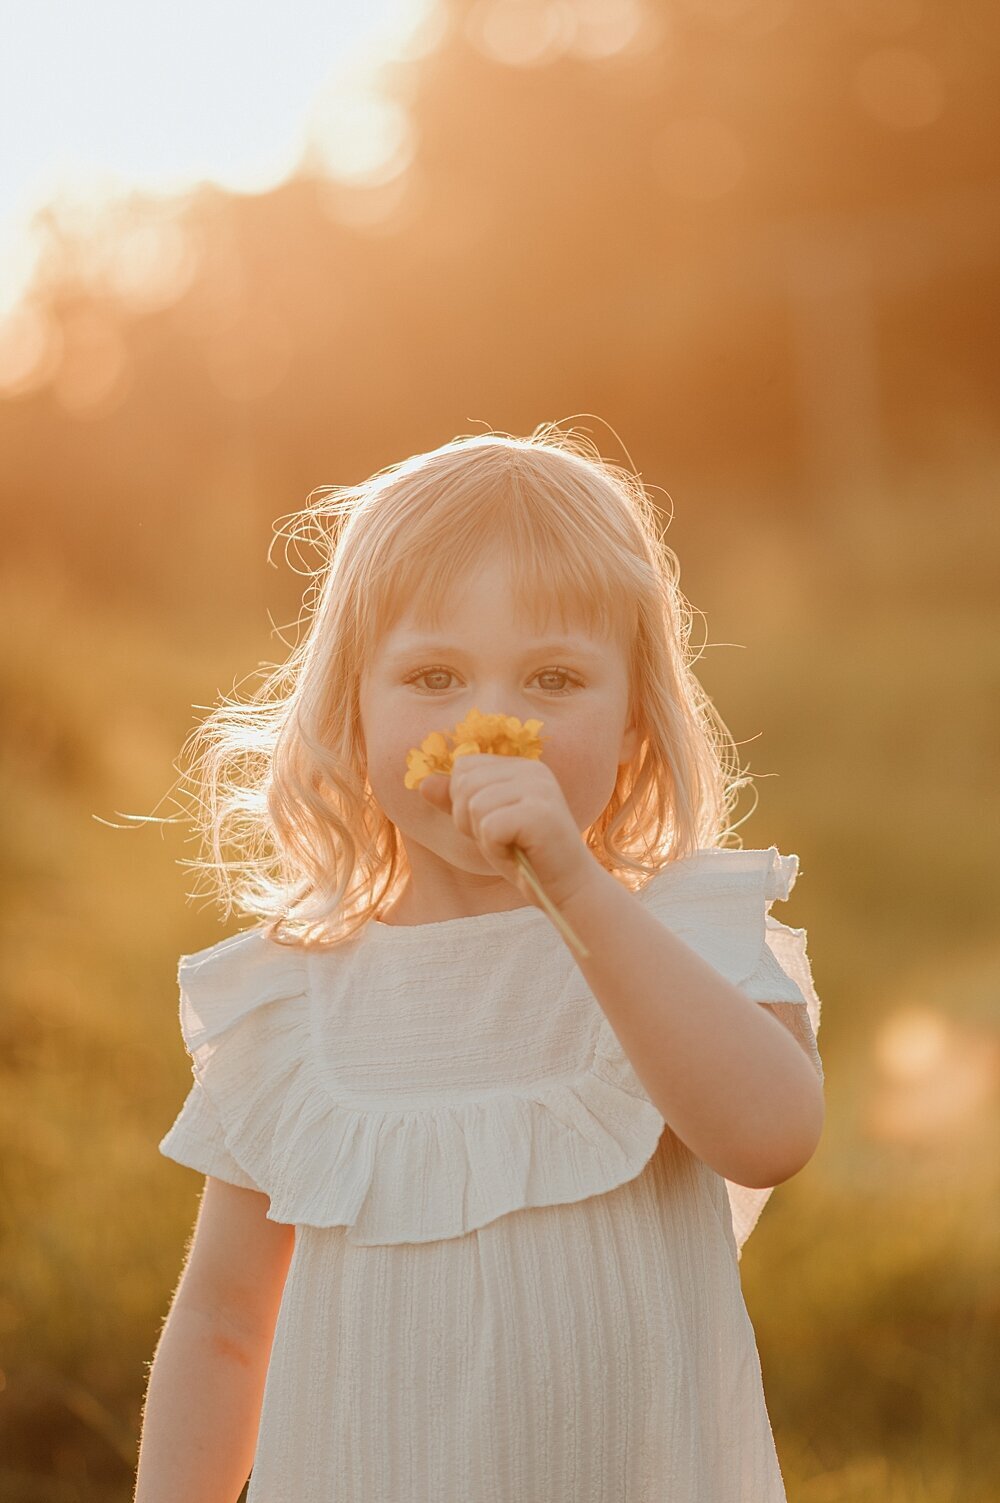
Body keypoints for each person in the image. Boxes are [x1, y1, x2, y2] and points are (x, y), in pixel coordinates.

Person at [134, 424, 825, 1503]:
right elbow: (225, 1324)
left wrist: (575, 885)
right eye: (434, 675)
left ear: (636, 726)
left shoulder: (681, 943)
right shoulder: (293, 999)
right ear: (351, 716)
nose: (491, 725)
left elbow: (771, 1134)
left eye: (553, 678)